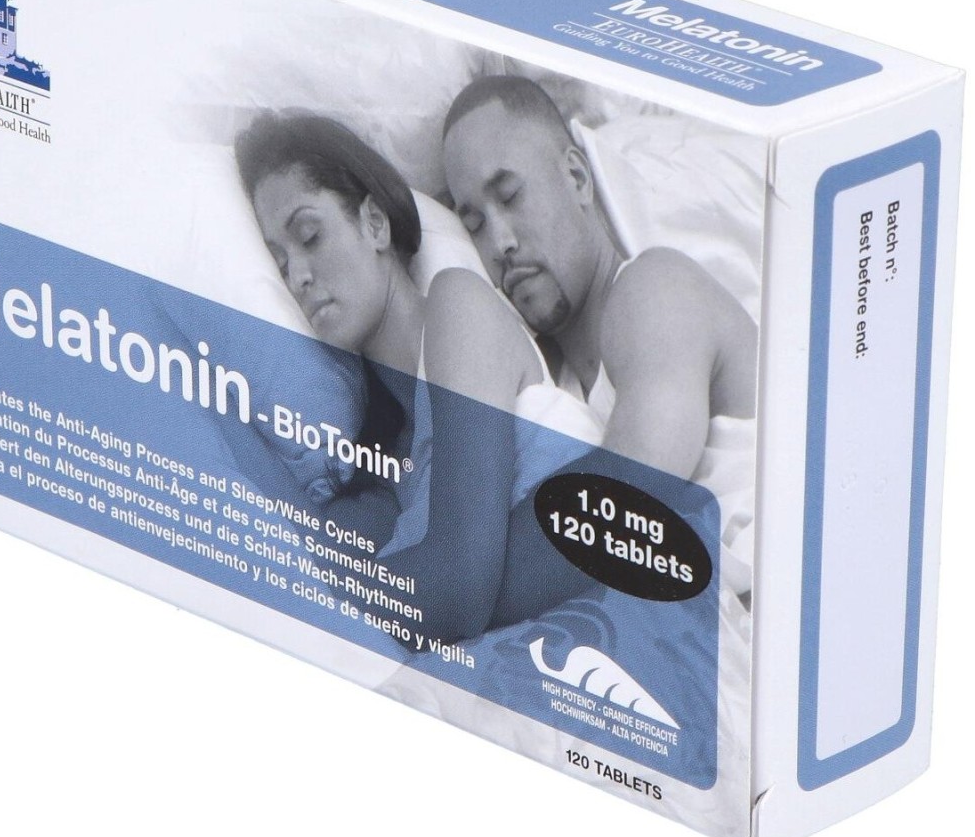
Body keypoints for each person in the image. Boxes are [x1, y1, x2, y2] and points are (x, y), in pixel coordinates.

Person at [236, 111, 601, 641]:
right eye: (280, 262)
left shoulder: (458, 306)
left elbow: (458, 593)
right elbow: (306, 568)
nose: (298, 276)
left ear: (375, 224)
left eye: (309, 236)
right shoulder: (382, 468)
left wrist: (373, 586)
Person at [441, 76, 757, 483]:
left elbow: (626, 504)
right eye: (475, 224)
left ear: (577, 178)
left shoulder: (658, 289)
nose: (500, 242)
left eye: (510, 196)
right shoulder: (544, 391)